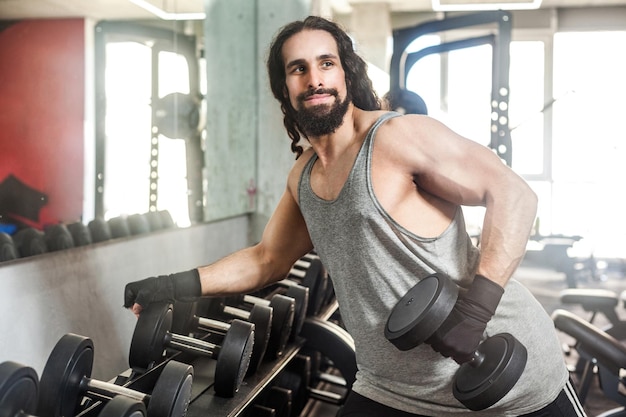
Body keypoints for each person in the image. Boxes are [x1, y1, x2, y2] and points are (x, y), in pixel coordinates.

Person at [123, 16, 585, 417]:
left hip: (507, 378)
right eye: (298, 69)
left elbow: (514, 194)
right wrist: (172, 285)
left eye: (326, 63)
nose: (315, 78)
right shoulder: (303, 176)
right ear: (284, 88)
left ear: (346, 72)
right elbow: (266, 260)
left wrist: (475, 313)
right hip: (392, 389)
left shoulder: (396, 138)